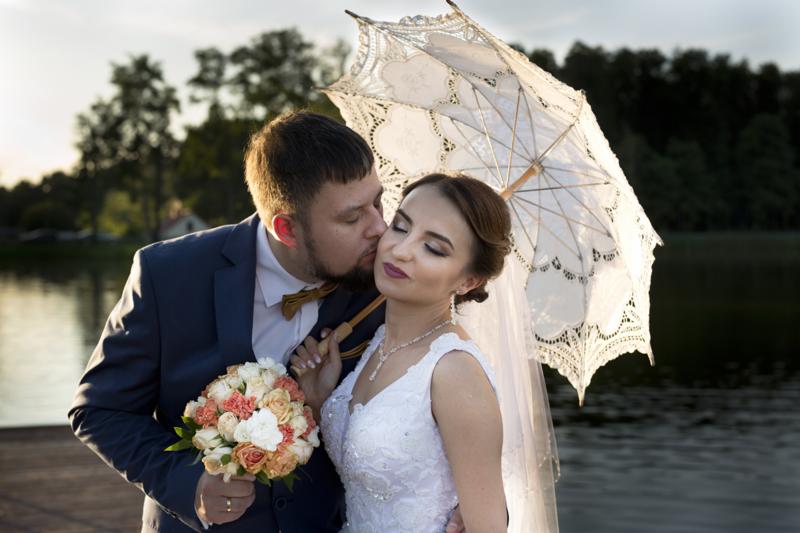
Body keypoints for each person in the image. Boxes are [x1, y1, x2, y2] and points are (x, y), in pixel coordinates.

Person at [69, 112, 473, 532]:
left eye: (378, 201)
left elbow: (444, 389)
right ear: (286, 228)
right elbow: (100, 409)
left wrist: (462, 502)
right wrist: (186, 484)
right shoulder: (167, 274)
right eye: (352, 218)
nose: (381, 229)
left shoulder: (388, 282)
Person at [292, 173, 519, 532]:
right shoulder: (377, 342)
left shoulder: (454, 372)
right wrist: (319, 402)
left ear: (468, 281)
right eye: (400, 226)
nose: (401, 250)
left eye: (434, 248)